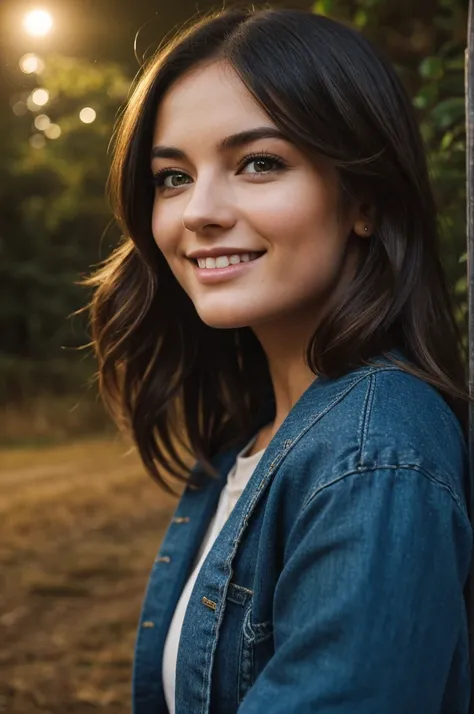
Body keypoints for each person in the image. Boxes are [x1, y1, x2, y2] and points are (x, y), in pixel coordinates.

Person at [86, 6, 474, 713]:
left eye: (258, 163)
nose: (198, 210)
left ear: (364, 198)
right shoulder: (259, 437)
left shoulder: (374, 454)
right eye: (172, 177)